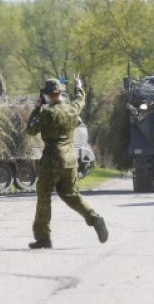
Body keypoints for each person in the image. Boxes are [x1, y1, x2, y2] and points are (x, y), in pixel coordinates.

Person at [26, 76, 108, 249]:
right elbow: (80, 99)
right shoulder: (72, 109)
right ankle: (94, 218)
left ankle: (43, 238)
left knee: (44, 196)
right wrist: (78, 86)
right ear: (61, 93)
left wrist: (36, 109)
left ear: (47, 95)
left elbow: (31, 130)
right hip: (71, 159)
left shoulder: (47, 113)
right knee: (71, 195)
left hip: (52, 160)